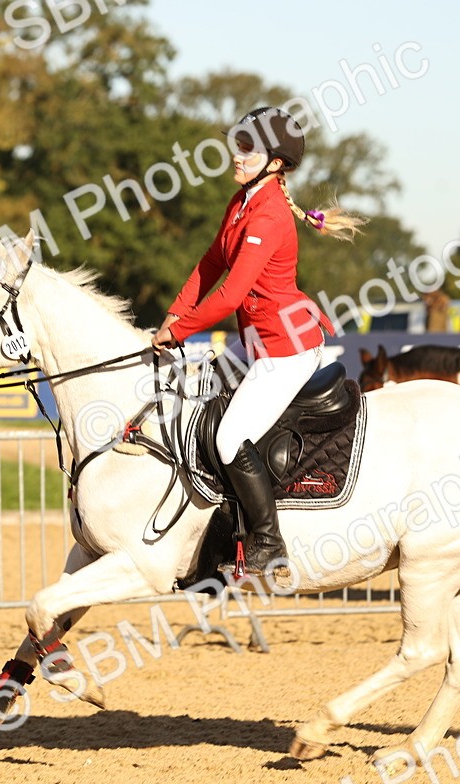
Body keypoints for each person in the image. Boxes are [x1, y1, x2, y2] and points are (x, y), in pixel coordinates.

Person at [151, 106, 365, 576]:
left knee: (229, 437)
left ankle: (269, 543)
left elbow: (230, 293)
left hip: (286, 349)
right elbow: (209, 265)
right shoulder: (240, 202)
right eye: (238, 142)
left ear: (274, 163)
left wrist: (179, 331)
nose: (237, 153)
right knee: (197, 406)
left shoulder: (268, 216)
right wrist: (172, 313)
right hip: (257, 343)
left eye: (248, 147)